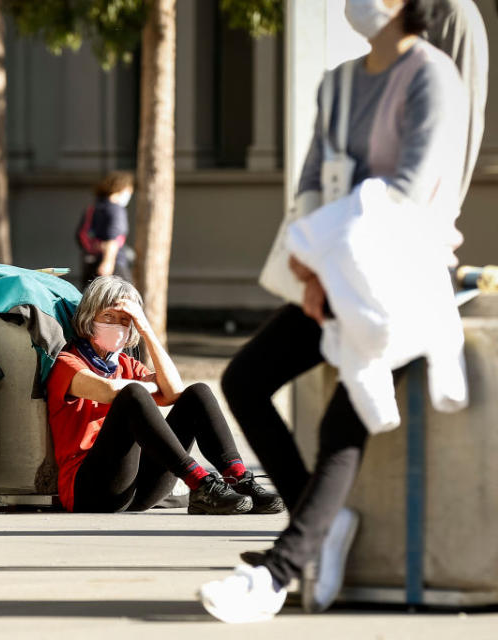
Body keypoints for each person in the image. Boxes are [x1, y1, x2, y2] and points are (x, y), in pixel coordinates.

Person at [199, 0, 470, 623]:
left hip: (399, 280)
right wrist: (311, 264)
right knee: (244, 380)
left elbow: (408, 189)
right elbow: (312, 181)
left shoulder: (433, 75)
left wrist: (329, 255)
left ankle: (279, 571)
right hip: (329, 274)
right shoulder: (340, 83)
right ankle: (324, 522)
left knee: (344, 421)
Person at [46, 275, 283, 515]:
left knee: (197, 393)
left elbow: (174, 392)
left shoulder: (126, 364)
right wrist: (148, 387)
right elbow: (110, 391)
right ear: (88, 319)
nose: (116, 325)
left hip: (139, 490)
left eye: (125, 320)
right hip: (90, 491)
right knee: (132, 394)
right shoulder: (68, 362)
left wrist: (145, 328)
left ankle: (239, 480)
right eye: (108, 317)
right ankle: (199, 482)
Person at [76, 171, 135, 287]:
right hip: (113, 265)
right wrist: (107, 262)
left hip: (90, 264)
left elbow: (80, 235)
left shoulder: (93, 208)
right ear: (122, 188)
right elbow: (113, 238)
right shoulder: (116, 209)